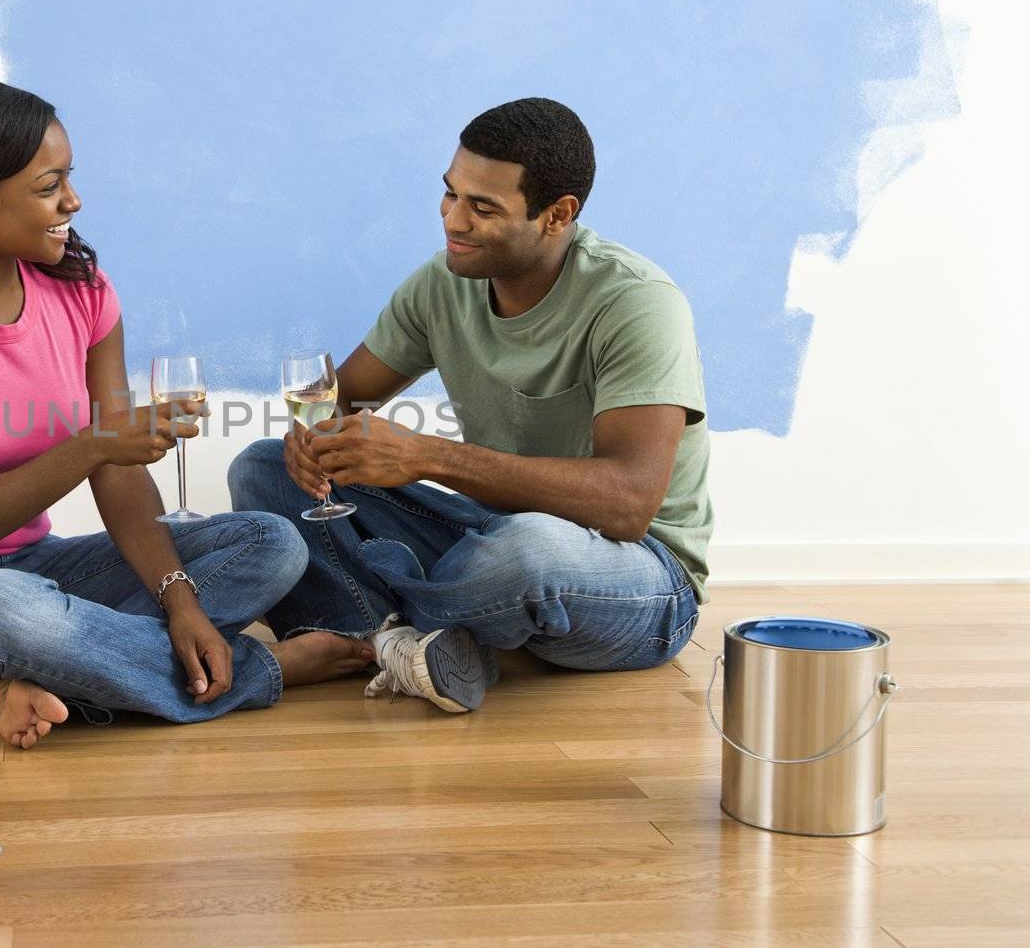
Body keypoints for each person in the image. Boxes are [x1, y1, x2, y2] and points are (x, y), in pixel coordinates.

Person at [0, 77, 373, 748]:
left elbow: (120, 473)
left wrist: (180, 600)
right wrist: (92, 445)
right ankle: (260, 671)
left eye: (69, 178)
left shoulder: (81, 290)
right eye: (47, 185)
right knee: (20, 614)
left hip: (36, 567)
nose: (72, 200)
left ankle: (30, 678)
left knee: (271, 543)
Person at [229, 98, 712, 713]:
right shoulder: (445, 281)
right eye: (450, 194)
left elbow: (627, 504)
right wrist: (313, 443)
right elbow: (342, 398)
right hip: (488, 533)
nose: (453, 220)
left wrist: (426, 456)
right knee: (262, 467)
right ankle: (406, 642)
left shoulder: (636, 302)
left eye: (482, 207)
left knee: (527, 552)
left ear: (558, 215)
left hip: (638, 579)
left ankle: (371, 625)